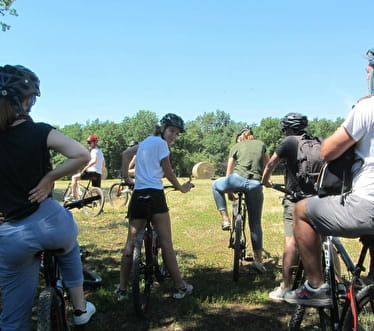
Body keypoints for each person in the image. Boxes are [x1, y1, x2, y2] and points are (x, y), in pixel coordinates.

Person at [0, 65, 96, 331]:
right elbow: (81, 154)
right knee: (68, 242)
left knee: (12, 321)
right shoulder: (38, 131)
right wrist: (49, 178)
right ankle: (80, 308)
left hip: (10, 236)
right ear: (26, 100)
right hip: (47, 222)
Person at [284, 40, 374, 307]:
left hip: (371, 206)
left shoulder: (370, 107)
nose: (367, 77)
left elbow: (328, 151)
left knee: (301, 211)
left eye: (367, 72)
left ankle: (316, 287)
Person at [115, 113, 194, 300]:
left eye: (176, 133)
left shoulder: (145, 142)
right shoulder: (162, 144)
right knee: (166, 242)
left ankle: (122, 289)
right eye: (172, 131)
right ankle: (180, 287)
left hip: (139, 195)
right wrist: (182, 188)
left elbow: (125, 154)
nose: (173, 136)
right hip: (156, 196)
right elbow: (168, 172)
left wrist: (126, 177)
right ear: (163, 128)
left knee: (130, 243)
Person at [262, 113, 312, 300]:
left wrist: (265, 181)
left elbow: (271, 163)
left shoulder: (289, 141)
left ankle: (285, 286)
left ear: (289, 129)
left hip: (295, 197)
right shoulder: (315, 141)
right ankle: (337, 283)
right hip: (316, 198)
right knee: (324, 240)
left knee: (291, 240)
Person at [212, 126, 270, 272]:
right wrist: (265, 180)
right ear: (252, 136)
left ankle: (225, 219)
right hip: (255, 184)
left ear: (240, 137)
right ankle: (258, 261)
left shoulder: (236, 146)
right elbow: (268, 164)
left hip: (236, 180)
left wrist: (229, 190)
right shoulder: (261, 144)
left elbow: (229, 170)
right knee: (255, 223)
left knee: (215, 186)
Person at [70, 134, 105, 199]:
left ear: (94, 142)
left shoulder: (94, 151)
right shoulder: (100, 151)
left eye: (89, 142)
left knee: (74, 178)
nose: (88, 144)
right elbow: (103, 164)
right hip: (98, 174)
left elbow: (94, 160)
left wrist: (86, 167)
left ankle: (74, 197)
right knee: (97, 191)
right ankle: (101, 207)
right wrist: (101, 172)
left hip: (92, 172)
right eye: (87, 142)